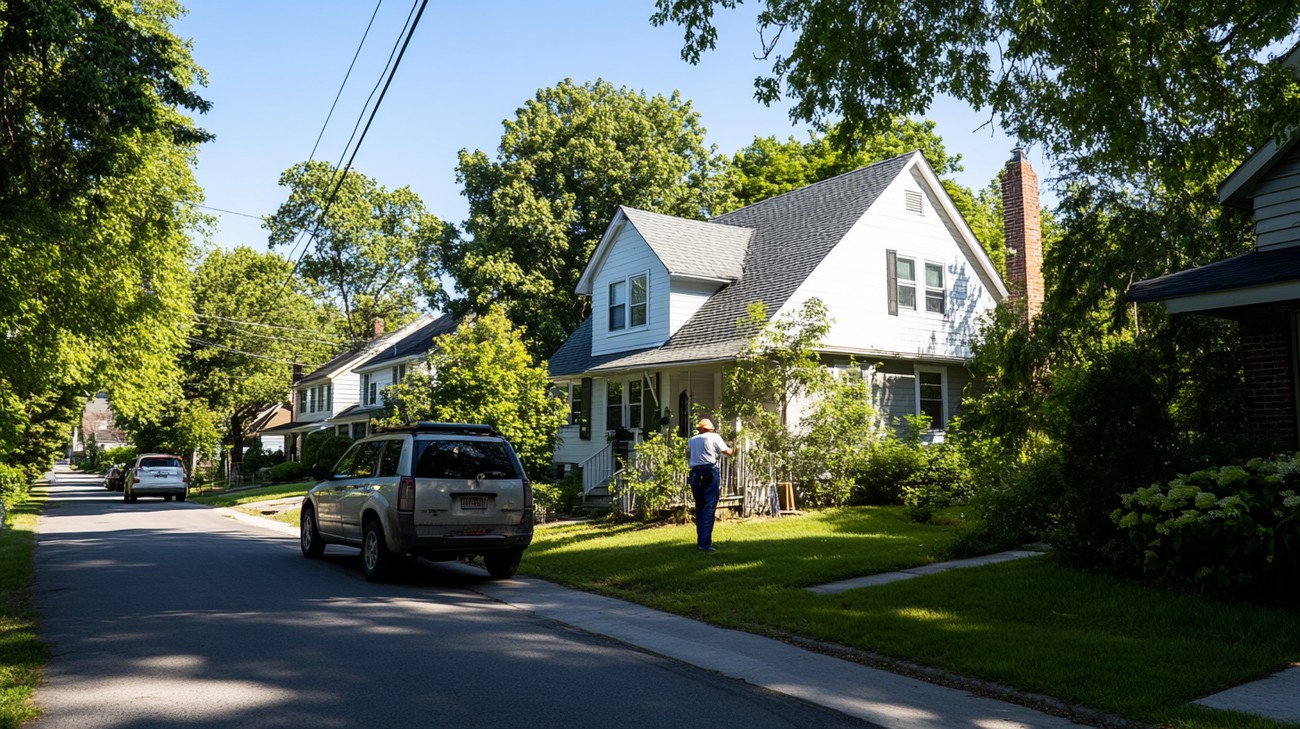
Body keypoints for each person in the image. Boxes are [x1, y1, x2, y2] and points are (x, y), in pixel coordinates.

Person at [687, 418, 732, 552]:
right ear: (710, 428)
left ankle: (701, 540)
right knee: (709, 507)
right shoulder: (714, 437)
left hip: (695, 473)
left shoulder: (692, 440)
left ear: (700, 429)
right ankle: (705, 544)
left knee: (700, 506)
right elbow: (728, 452)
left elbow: (687, 455)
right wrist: (733, 447)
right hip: (710, 471)